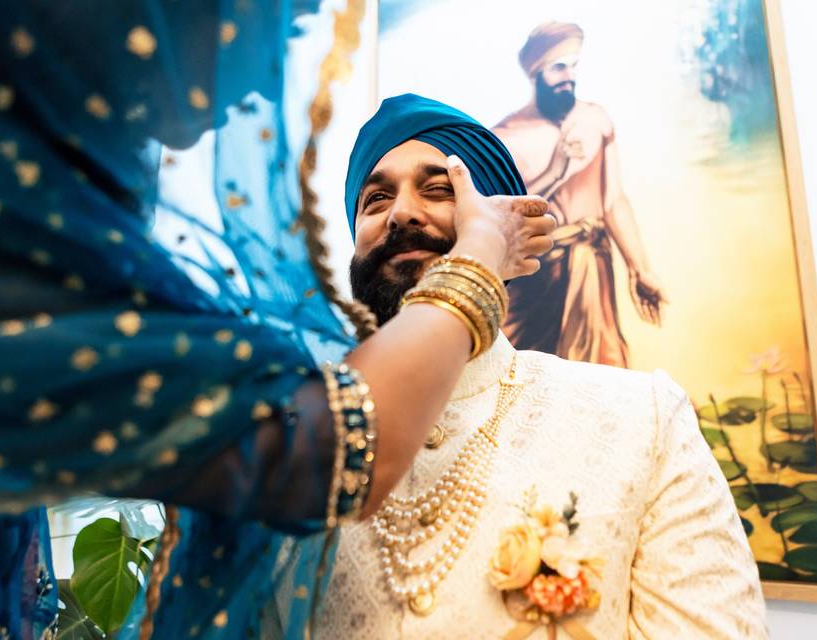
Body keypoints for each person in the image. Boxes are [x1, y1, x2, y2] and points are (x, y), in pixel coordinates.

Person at [0, 3, 552, 639]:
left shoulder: (637, 415)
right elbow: (324, 450)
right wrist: (477, 258)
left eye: (441, 189)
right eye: (279, 21)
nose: (263, 67)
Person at [294, 94, 768, 639]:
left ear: (504, 227)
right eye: (375, 199)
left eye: (440, 189)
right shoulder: (304, 434)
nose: (401, 212)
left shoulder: (644, 419)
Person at [493, 22, 666, 368]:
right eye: (558, 66)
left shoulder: (595, 119)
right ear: (535, 72)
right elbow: (504, 218)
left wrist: (639, 269)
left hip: (593, 266)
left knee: (603, 369)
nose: (568, 75)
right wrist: (556, 171)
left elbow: (613, 201)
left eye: (573, 65)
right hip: (539, 279)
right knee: (534, 373)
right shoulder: (506, 135)